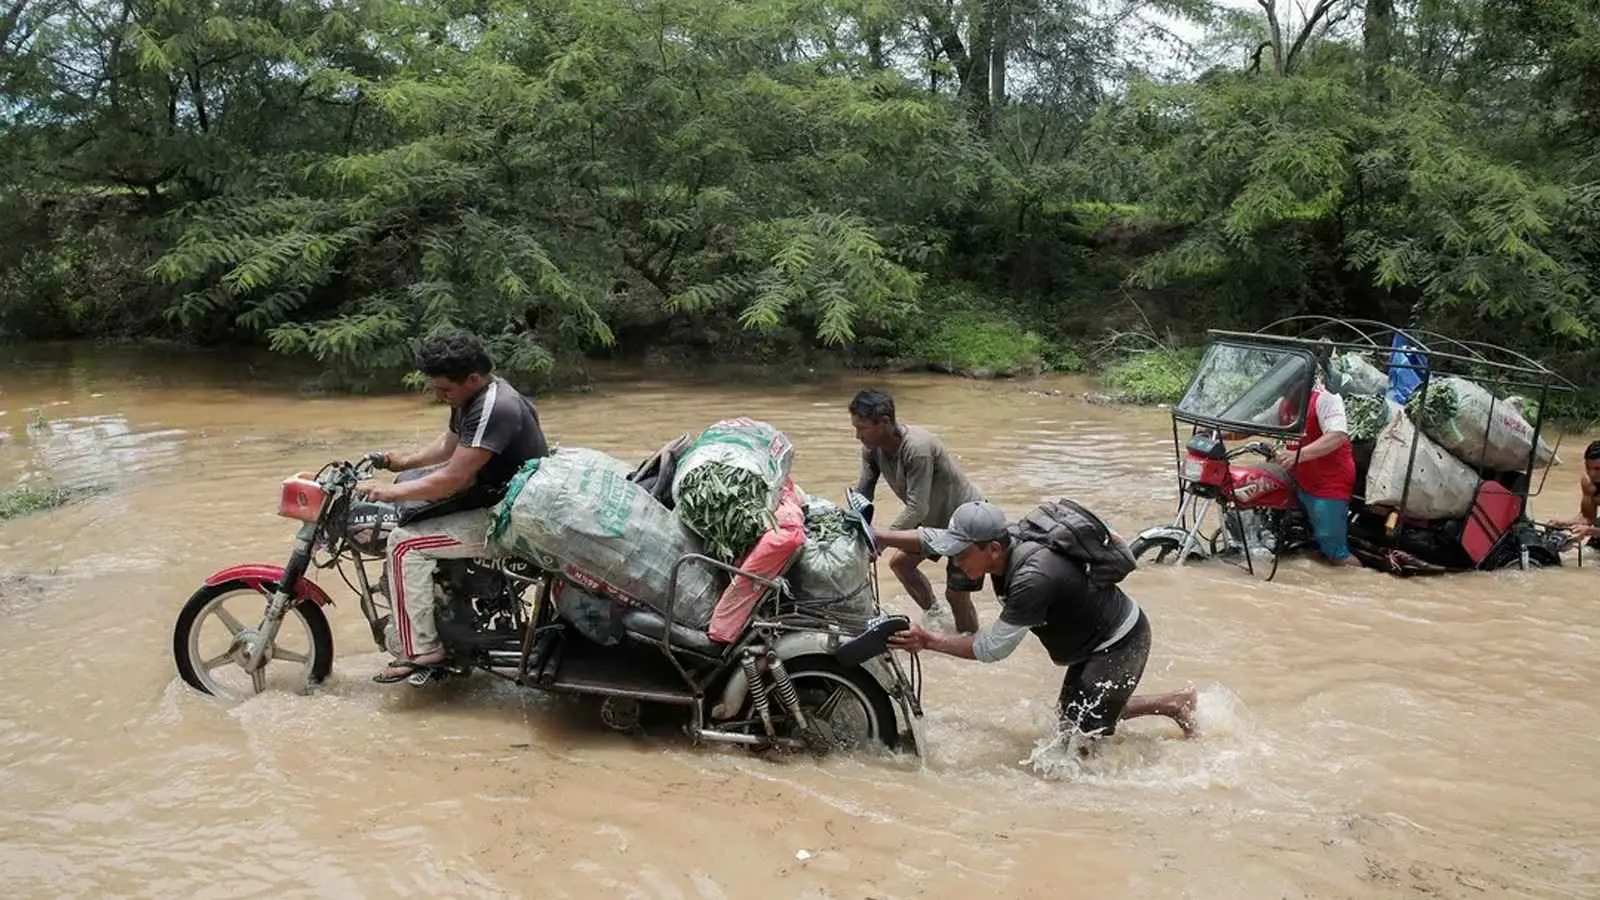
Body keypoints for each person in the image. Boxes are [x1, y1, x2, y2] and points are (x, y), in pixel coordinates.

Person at [879, 500, 1197, 751]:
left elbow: (993, 648)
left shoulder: (1033, 579)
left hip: (1118, 641)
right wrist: (877, 536)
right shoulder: (1005, 540)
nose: (955, 561)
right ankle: (1174, 703)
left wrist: (929, 640)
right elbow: (930, 538)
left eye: (961, 554)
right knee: (1073, 717)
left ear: (993, 549)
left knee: (1079, 747)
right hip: (1096, 638)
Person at [359, 329, 550, 683]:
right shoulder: (474, 397)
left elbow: (453, 478)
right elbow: (451, 444)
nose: (439, 395)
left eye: (444, 389)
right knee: (413, 504)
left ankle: (421, 650)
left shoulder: (496, 408)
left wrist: (387, 492)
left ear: (473, 377)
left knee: (403, 545)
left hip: (509, 518)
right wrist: (403, 461)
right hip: (500, 500)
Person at [850, 388, 987, 634]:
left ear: (884, 422)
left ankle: (970, 643)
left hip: (966, 522)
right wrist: (851, 528)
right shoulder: (872, 449)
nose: (857, 435)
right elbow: (864, 493)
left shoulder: (917, 448)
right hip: (933, 521)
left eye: (862, 428)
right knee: (900, 565)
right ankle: (935, 614)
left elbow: (917, 507)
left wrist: (879, 543)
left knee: (956, 595)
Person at [1228, 378, 1360, 567]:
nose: (1284, 390)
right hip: (1297, 476)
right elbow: (1253, 426)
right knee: (1248, 487)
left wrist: (1298, 455)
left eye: (1288, 384)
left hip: (1328, 483)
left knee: (1336, 553)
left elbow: (1337, 436)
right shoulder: (1283, 405)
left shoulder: (1325, 400)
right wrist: (1216, 431)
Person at [1548, 440, 1600, 545]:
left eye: (1598, 469)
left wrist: (1590, 531)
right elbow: (1587, 517)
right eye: (1588, 468)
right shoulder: (1588, 482)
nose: (1592, 473)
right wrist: (1563, 523)